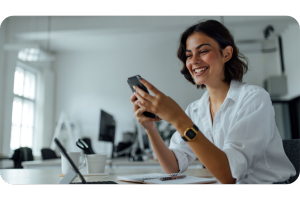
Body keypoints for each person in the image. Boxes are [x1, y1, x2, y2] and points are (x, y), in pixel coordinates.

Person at [129, 19, 296, 184]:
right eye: (188, 55)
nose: (193, 60)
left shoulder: (254, 98)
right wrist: (150, 128)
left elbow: (229, 175)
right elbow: (173, 166)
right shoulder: (195, 110)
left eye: (202, 51)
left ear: (226, 54)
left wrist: (177, 118)